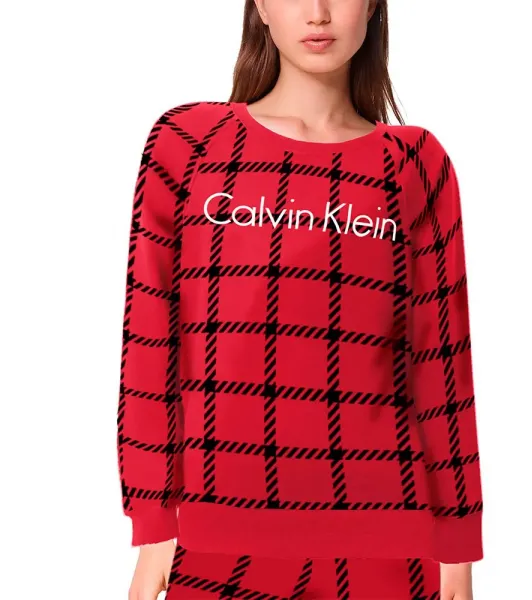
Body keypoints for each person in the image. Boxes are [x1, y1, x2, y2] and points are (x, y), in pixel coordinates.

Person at [117, 1, 484, 598]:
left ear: (372, 5)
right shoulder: (189, 143)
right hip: (214, 538)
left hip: (389, 538)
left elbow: (442, 365)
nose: (318, 13)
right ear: (260, 6)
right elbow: (150, 336)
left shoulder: (416, 163)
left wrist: (459, 548)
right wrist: (154, 522)